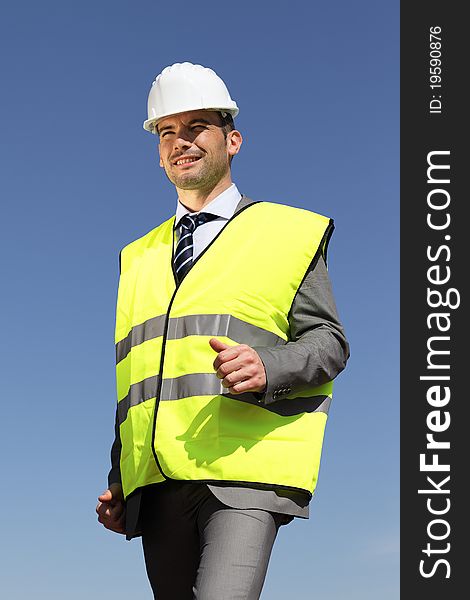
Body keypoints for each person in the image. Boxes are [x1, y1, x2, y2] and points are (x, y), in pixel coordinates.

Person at [96, 62, 349, 599]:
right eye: (167, 132)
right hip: (158, 484)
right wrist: (121, 478)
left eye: (195, 128)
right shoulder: (137, 257)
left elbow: (328, 341)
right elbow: (136, 381)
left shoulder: (287, 233)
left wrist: (268, 366)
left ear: (232, 140)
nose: (179, 142)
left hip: (242, 473)